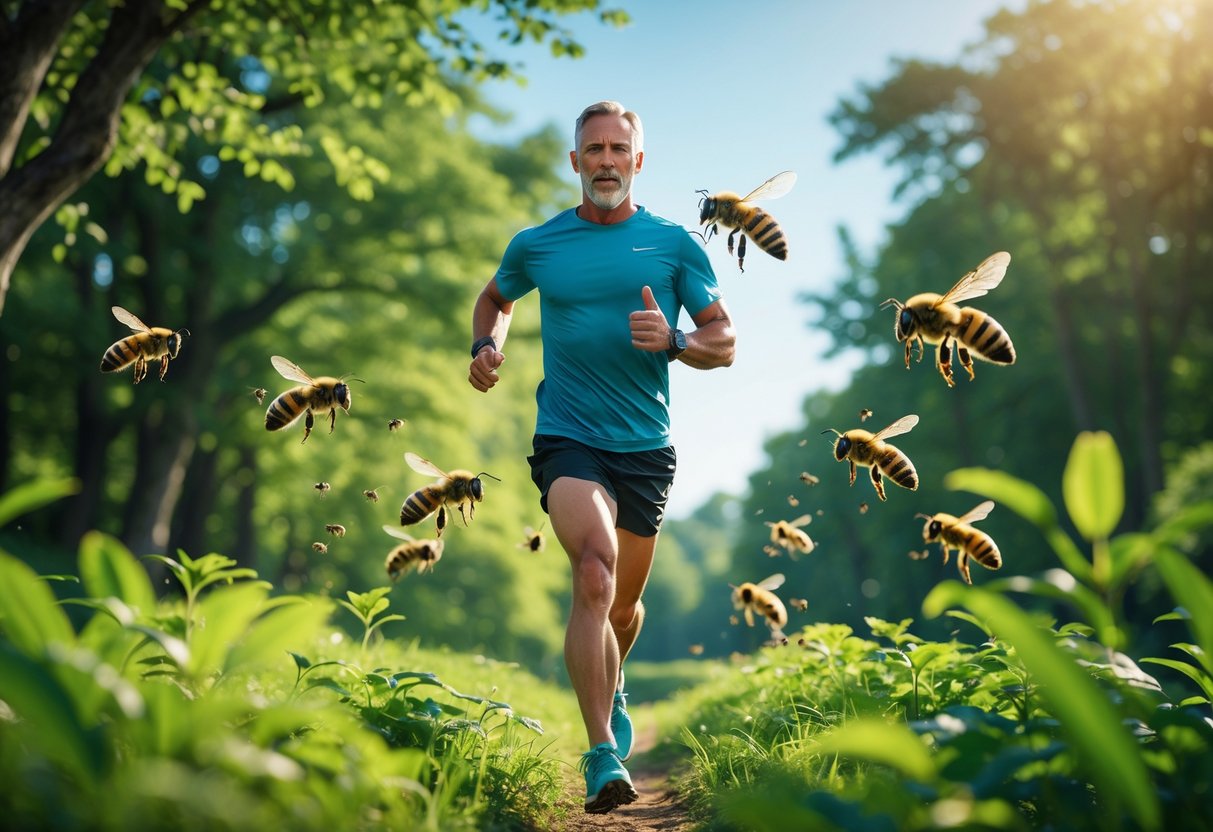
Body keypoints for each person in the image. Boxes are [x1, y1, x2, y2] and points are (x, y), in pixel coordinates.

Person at [467, 100, 736, 814]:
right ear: (575, 162)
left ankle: (615, 683)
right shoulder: (538, 244)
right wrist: (485, 344)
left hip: (645, 447)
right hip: (568, 435)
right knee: (593, 572)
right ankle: (600, 755)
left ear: (637, 161)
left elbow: (724, 342)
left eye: (620, 149)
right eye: (594, 150)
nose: (607, 161)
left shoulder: (674, 245)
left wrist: (675, 340)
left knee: (621, 607)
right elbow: (494, 298)